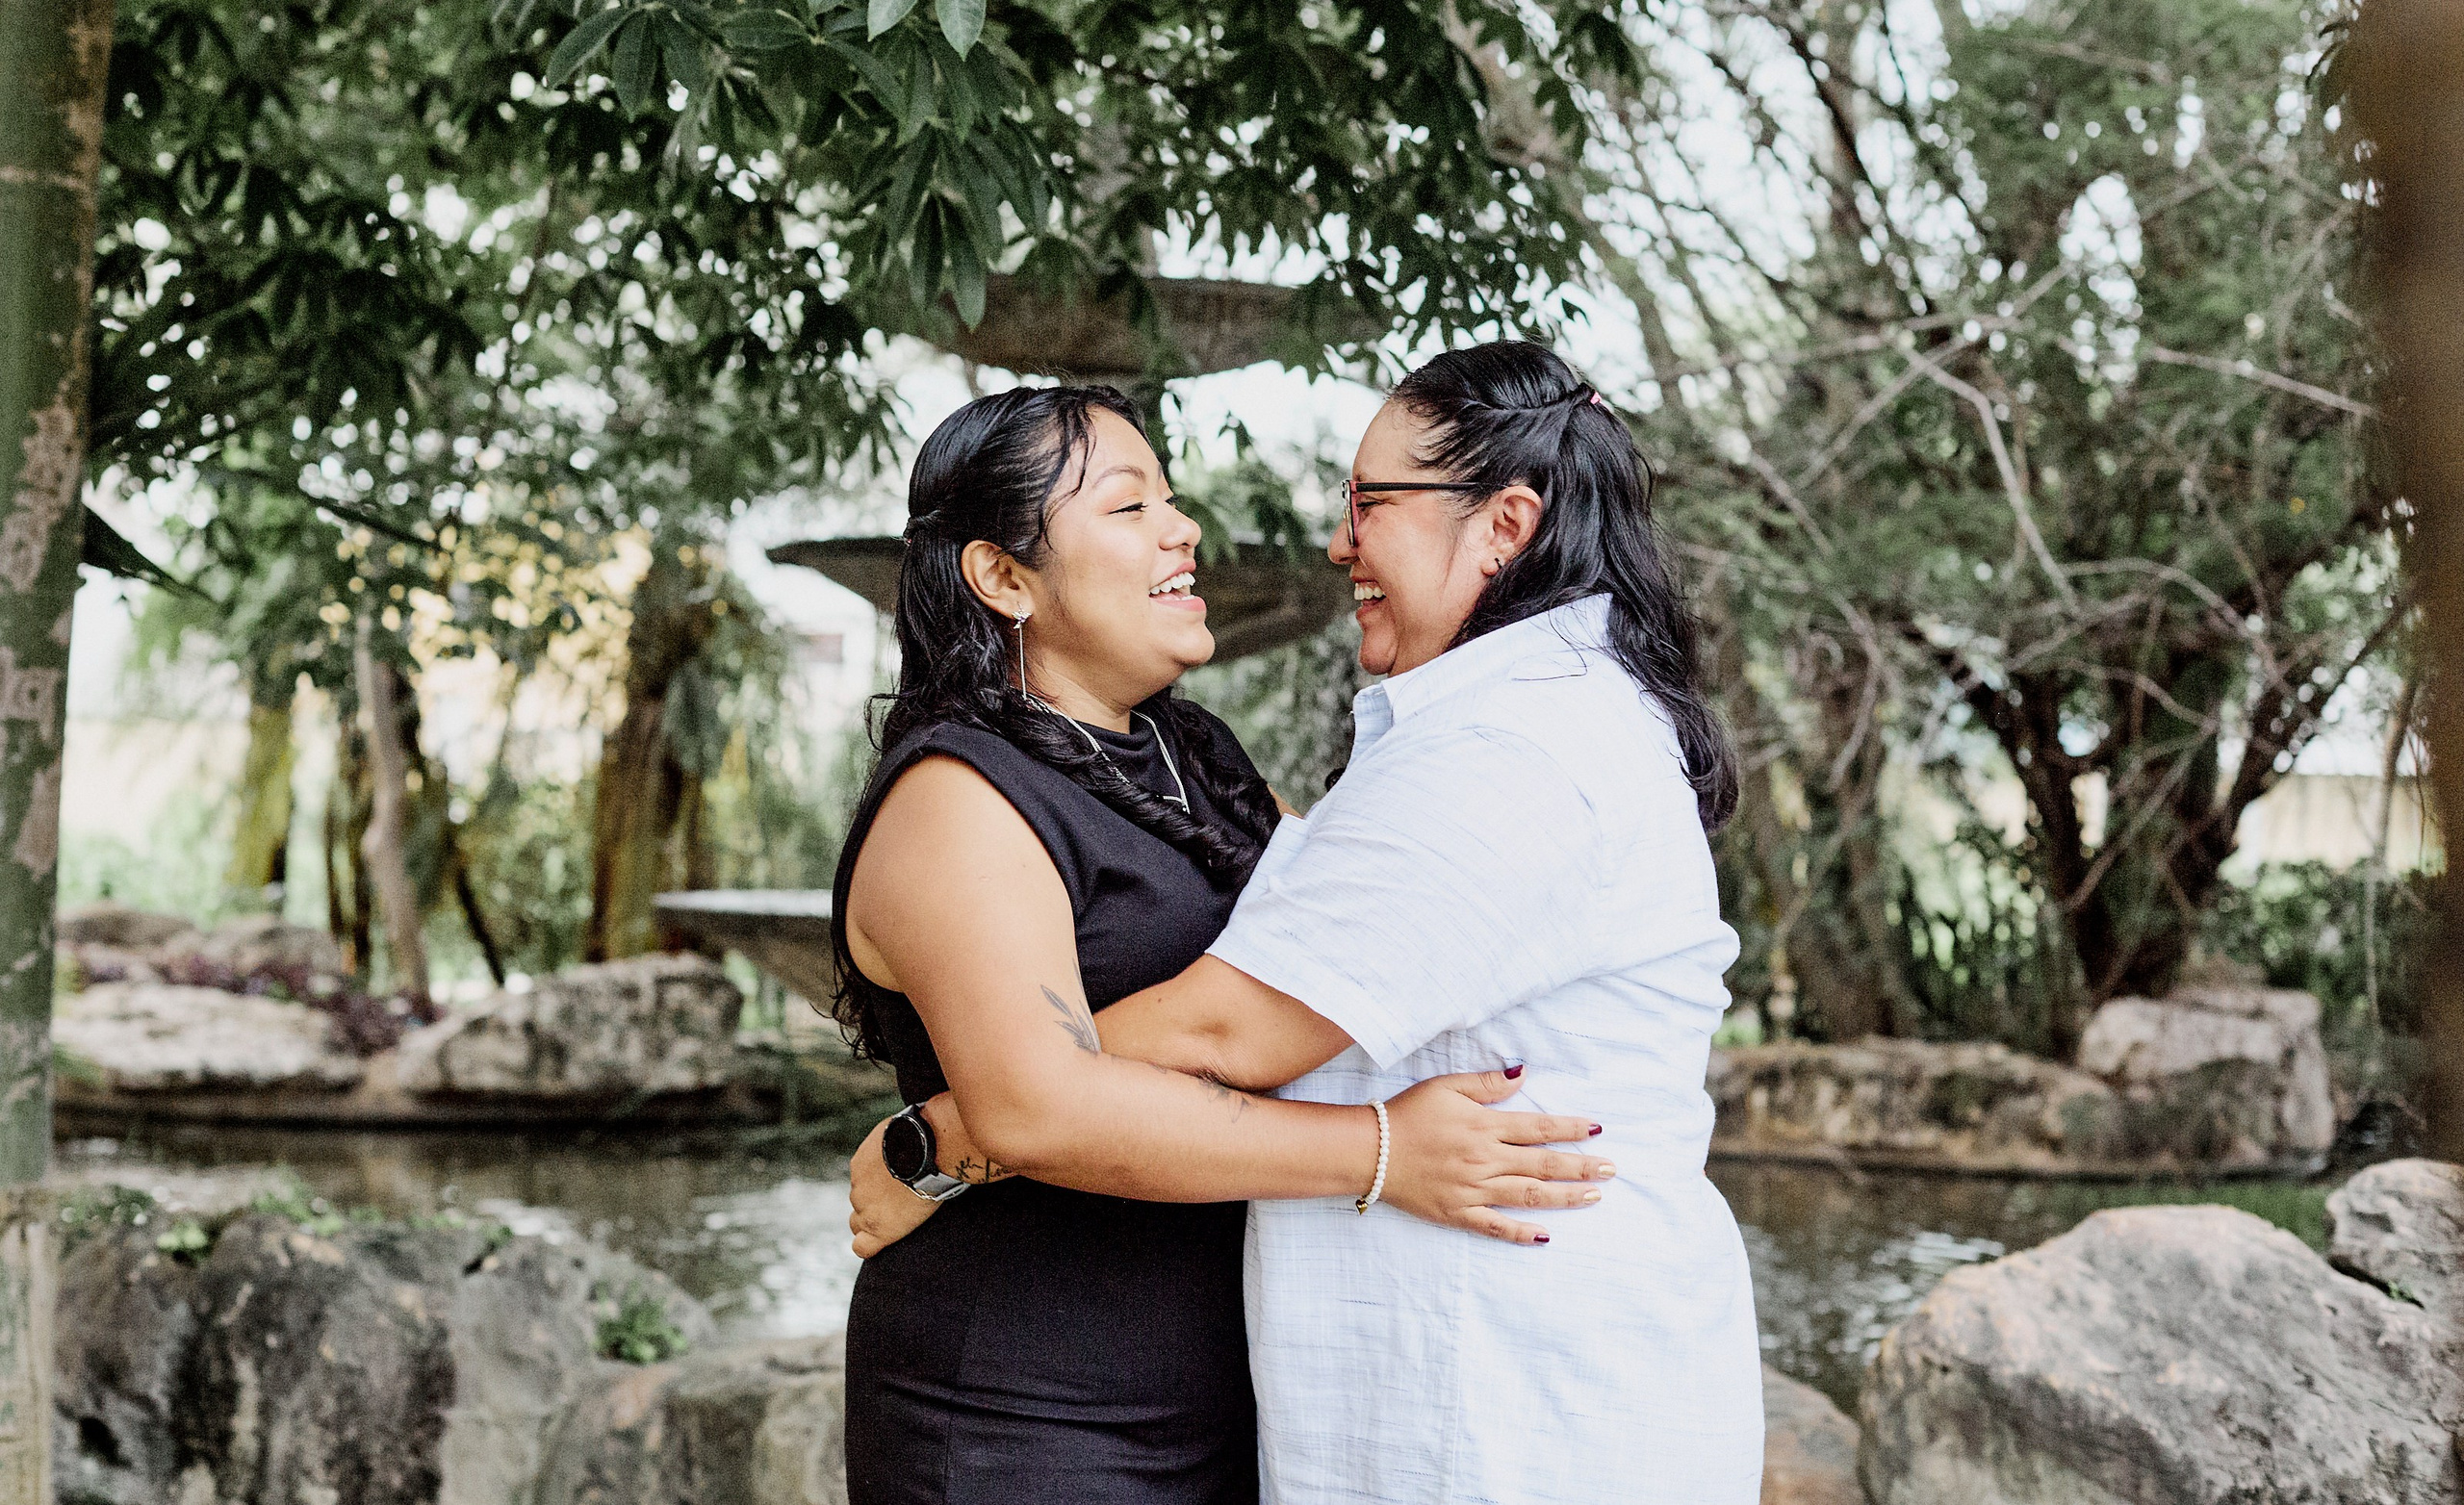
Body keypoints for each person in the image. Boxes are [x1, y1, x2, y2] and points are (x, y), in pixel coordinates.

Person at [853, 341, 1765, 1504]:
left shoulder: (1380, 755)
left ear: (1502, 526)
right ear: (1003, 575)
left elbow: (1220, 1029)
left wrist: (941, 1136)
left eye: (1369, 503)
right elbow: (1122, 1063)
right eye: (1132, 506)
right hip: (1031, 1400)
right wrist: (1381, 1151)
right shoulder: (962, 796)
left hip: (1431, 1395)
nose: (1188, 532)